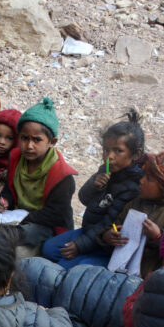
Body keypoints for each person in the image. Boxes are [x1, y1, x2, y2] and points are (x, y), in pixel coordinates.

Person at [41, 111, 145, 269]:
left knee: (68, 265)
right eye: (106, 149)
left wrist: (80, 246)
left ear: (136, 155)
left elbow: (108, 223)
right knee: (48, 248)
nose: (109, 156)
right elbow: (83, 198)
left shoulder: (132, 187)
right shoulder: (106, 170)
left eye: (118, 151)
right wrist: (94, 186)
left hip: (106, 245)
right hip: (88, 232)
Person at [100, 149, 164, 277]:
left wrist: (158, 237)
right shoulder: (137, 203)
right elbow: (116, 225)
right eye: (143, 175)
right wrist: (108, 236)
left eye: (149, 179)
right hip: (118, 270)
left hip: (151, 281)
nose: (141, 180)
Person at [0, 98, 78, 253]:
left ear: (52, 142)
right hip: (15, 218)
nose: (29, 145)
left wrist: (22, 218)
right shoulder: (16, 158)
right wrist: (4, 201)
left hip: (43, 226)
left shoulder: (61, 175)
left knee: (19, 246)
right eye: (24, 138)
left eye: (37, 140)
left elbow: (55, 214)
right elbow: (10, 190)